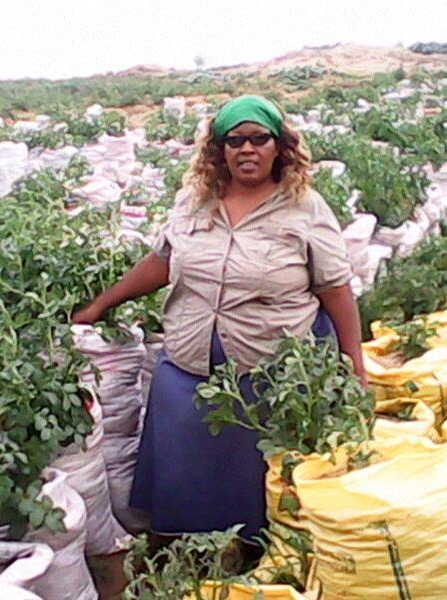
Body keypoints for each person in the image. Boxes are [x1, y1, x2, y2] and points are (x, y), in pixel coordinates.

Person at [73, 95, 364, 545]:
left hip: (268, 371)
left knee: (256, 472)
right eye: (235, 141)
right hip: (189, 366)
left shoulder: (304, 207)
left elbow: (336, 290)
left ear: (279, 147)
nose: (247, 149)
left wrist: (354, 365)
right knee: (186, 467)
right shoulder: (196, 201)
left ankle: (258, 550)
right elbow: (163, 260)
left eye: (259, 139)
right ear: (220, 150)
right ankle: (185, 546)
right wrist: (100, 305)